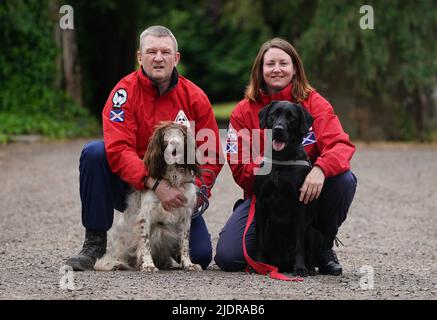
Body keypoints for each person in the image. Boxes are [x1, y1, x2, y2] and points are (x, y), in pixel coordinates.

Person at [66, 26, 222, 271]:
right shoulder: (123, 92)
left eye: (165, 52)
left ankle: (166, 246)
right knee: (95, 153)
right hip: (132, 183)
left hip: (178, 187)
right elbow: (118, 150)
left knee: (201, 255)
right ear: (140, 57)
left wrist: (195, 193)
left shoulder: (195, 96)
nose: (158, 58)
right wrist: (155, 184)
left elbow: (211, 153)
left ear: (176, 57)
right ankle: (94, 243)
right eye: (151, 52)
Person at [214, 38, 357, 275]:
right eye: (270, 64)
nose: (277, 69)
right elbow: (239, 169)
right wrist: (268, 169)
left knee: (344, 180)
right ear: (260, 70)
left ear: (295, 69)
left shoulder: (314, 103)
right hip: (264, 198)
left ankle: (322, 246)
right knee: (229, 258)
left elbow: (340, 145)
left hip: (307, 194)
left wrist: (320, 169)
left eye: (283, 63)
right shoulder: (243, 111)